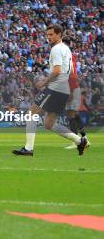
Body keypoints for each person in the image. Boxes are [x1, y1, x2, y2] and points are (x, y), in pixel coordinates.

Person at [12, 24, 88, 156]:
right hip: (64, 88)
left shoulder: (56, 49)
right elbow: (67, 70)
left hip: (56, 87)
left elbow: (57, 70)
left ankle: (29, 148)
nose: (49, 37)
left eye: (51, 34)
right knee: (49, 123)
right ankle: (79, 141)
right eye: (47, 35)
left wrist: (43, 82)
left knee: (31, 113)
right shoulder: (66, 49)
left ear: (59, 35)